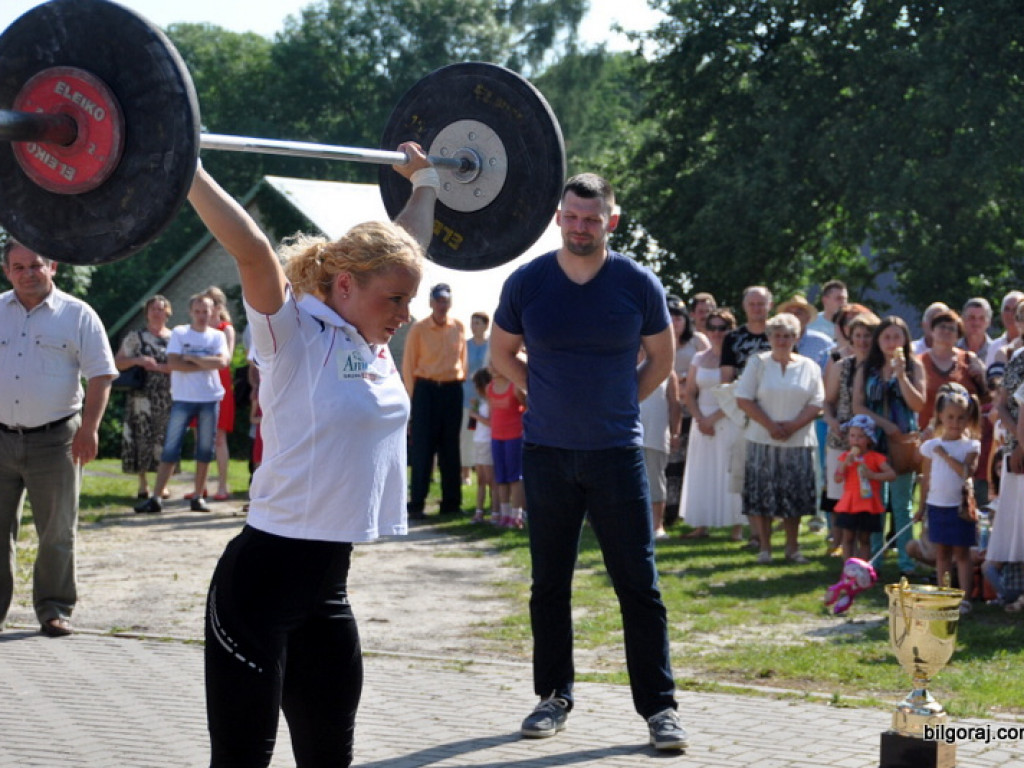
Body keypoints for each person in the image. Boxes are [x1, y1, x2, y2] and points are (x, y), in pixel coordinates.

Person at [187, 142, 435, 766]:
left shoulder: (369, 334)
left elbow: (406, 248)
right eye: (396, 302)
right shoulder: (290, 335)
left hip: (328, 589)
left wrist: (426, 182)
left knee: (330, 757)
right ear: (344, 285)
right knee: (243, 759)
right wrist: (180, 163)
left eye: (409, 300)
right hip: (258, 587)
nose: (405, 316)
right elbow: (251, 249)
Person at [490, 173, 689, 751]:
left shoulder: (636, 283)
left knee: (639, 586)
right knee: (548, 583)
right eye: (572, 218)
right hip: (547, 453)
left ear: (612, 221)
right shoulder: (528, 281)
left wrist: (624, 398)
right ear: (559, 217)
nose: (581, 228)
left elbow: (661, 356)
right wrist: (536, 390)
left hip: (616, 454)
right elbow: (502, 351)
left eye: (592, 219)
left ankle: (660, 710)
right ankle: (553, 696)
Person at [0, 239, 117, 637]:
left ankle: (53, 609)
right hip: (0, 439)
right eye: (18, 267)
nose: (27, 273)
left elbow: (101, 374)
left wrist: (89, 429)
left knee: (57, 530)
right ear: (6, 271)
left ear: (52, 267)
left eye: (35, 265)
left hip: (56, 440)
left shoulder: (77, 314)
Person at [734, 312, 825, 564]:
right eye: (777, 335)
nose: (783, 340)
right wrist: (771, 425)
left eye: (788, 336)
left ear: (796, 338)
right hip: (762, 438)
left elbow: (817, 402)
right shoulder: (758, 363)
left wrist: (793, 425)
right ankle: (765, 548)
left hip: (799, 440)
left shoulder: (809, 366)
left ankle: (792, 547)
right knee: (763, 496)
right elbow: (743, 398)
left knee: (794, 496)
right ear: (769, 337)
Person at [133, 295, 229, 514]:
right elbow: (174, 363)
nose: (202, 316)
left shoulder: (217, 336)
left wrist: (191, 358)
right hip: (183, 398)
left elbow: (222, 362)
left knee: (205, 449)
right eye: (198, 311)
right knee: (170, 448)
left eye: (206, 311)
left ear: (212, 312)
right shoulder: (180, 333)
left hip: (209, 397)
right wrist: (205, 362)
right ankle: (156, 497)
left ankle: (198, 496)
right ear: (191, 312)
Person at [853, 316, 926, 577]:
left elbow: (918, 404)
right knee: (874, 501)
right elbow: (858, 405)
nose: (891, 342)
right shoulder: (867, 368)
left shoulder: (914, 367)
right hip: (873, 441)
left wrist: (901, 375)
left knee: (901, 503)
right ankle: (874, 559)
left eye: (897, 337)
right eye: (886, 337)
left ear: (905, 339)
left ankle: (906, 560)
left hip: (901, 444)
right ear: (878, 340)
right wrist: (883, 423)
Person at [402, 282, 467, 518]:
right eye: (438, 300)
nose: (442, 305)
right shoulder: (419, 329)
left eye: (446, 300)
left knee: (451, 449)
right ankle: (417, 503)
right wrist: (413, 398)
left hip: (451, 390)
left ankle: (451, 503)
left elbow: (463, 361)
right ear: (431, 302)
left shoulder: (458, 327)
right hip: (426, 391)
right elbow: (408, 364)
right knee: (422, 448)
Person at [916, 384, 981, 615]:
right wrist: (921, 507)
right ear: (941, 417)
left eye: (961, 418)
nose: (955, 422)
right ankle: (943, 593)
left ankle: (964, 597)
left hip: (960, 508)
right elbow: (926, 479)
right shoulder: (931, 446)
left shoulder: (971, 445)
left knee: (962, 554)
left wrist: (945, 455)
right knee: (941, 553)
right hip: (937, 506)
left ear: (968, 418)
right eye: (950, 417)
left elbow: (967, 472)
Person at [679, 308, 744, 540]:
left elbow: (737, 393)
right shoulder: (699, 357)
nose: (717, 333)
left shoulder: (736, 357)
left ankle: (737, 526)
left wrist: (713, 418)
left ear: (731, 330)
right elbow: (689, 391)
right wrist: (699, 418)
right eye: (713, 328)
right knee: (702, 470)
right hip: (702, 419)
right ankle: (701, 524)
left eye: (722, 328)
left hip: (728, 418)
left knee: (729, 470)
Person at [822, 312, 880, 549]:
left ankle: (868, 546)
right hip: (841, 436)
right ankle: (840, 544)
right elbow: (827, 402)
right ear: (850, 337)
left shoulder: (881, 368)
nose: (863, 340)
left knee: (869, 495)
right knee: (838, 494)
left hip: (872, 440)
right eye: (858, 335)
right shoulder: (841, 366)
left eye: (868, 335)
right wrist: (832, 422)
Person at [115, 295, 173, 500]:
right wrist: (138, 360)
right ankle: (143, 483)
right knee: (141, 436)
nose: (157, 313)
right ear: (147, 313)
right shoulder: (135, 336)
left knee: (164, 437)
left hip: (167, 395)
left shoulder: (175, 337)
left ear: (167, 312)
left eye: (160, 309)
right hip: (141, 395)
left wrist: (164, 368)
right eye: (153, 309)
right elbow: (118, 362)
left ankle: (162, 484)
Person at [664, 297, 707, 526]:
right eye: (669, 317)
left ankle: (687, 511)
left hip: (693, 408)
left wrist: (687, 382)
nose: (674, 321)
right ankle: (666, 510)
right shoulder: (657, 340)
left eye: (678, 317)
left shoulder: (698, 342)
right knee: (670, 461)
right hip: (666, 407)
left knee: (690, 461)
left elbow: (711, 366)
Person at [833, 414, 896, 561]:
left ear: (869, 439)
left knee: (864, 539)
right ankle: (848, 569)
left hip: (868, 504)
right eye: (852, 436)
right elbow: (837, 478)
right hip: (850, 503)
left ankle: (863, 569)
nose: (855, 440)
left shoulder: (875, 457)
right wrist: (845, 464)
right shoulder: (844, 457)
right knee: (848, 537)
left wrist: (873, 476)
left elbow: (891, 475)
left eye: (860, 436)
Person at [639, 348, 682, 539]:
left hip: (656, 434)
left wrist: (675, 433)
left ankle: (657, 526)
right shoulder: (621, 366)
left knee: (656, 480)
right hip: (625, 436)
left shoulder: (665, 370)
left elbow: (674, 403)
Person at [203, 285, 236, 501]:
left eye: (214, 302)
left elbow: (227, 358)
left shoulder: (226, 328)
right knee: (201, 438)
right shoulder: (197, 328)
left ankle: (222, 486)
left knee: (219, 438)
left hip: (221, 385)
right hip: (200, 384)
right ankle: (201, 486)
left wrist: (200, 359)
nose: (210, 307)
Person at [487, 363, 526, 528]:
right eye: (491, 366)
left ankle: (516, 515)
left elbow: (526, 407)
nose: (494, 368)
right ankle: (504, 513)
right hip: (497, 437)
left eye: (496, 366)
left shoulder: (514, 387)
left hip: (514, 437)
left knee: (515, 477)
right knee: (501, 478)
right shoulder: (490, 388)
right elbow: (491, 413)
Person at [461, 311, 491, 485]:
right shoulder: (465, 345)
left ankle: (483, 472)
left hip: (485, 398)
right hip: (467, 396)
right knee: (466, 435)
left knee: (483, 435)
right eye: (472, 323)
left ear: (486, 325)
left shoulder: (491, 346)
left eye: (478, 323)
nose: (474, 326)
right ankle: (465, 473)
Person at [721, 285, 772, 382]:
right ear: (744, 306)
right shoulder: (732, 338)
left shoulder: (781, 335)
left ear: (770, 305)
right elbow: (727, 378)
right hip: (742, 393)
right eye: (751, 304)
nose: (756, 308)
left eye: (760, 304)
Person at [468, 367, 496, 523]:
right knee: (480, 479)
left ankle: (494, 509)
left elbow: (491, 422)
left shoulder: (491, 402)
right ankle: (479, 511)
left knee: (490, 479)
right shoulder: (483, 402)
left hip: (487, 441)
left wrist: (476, 416)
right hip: (479, 441)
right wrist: (475, 411)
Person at [987, 290, 1024, 367]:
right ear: (1001, 314)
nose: (1011, 314)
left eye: (1015, 309)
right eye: (1007, 309)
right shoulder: (994, 347)